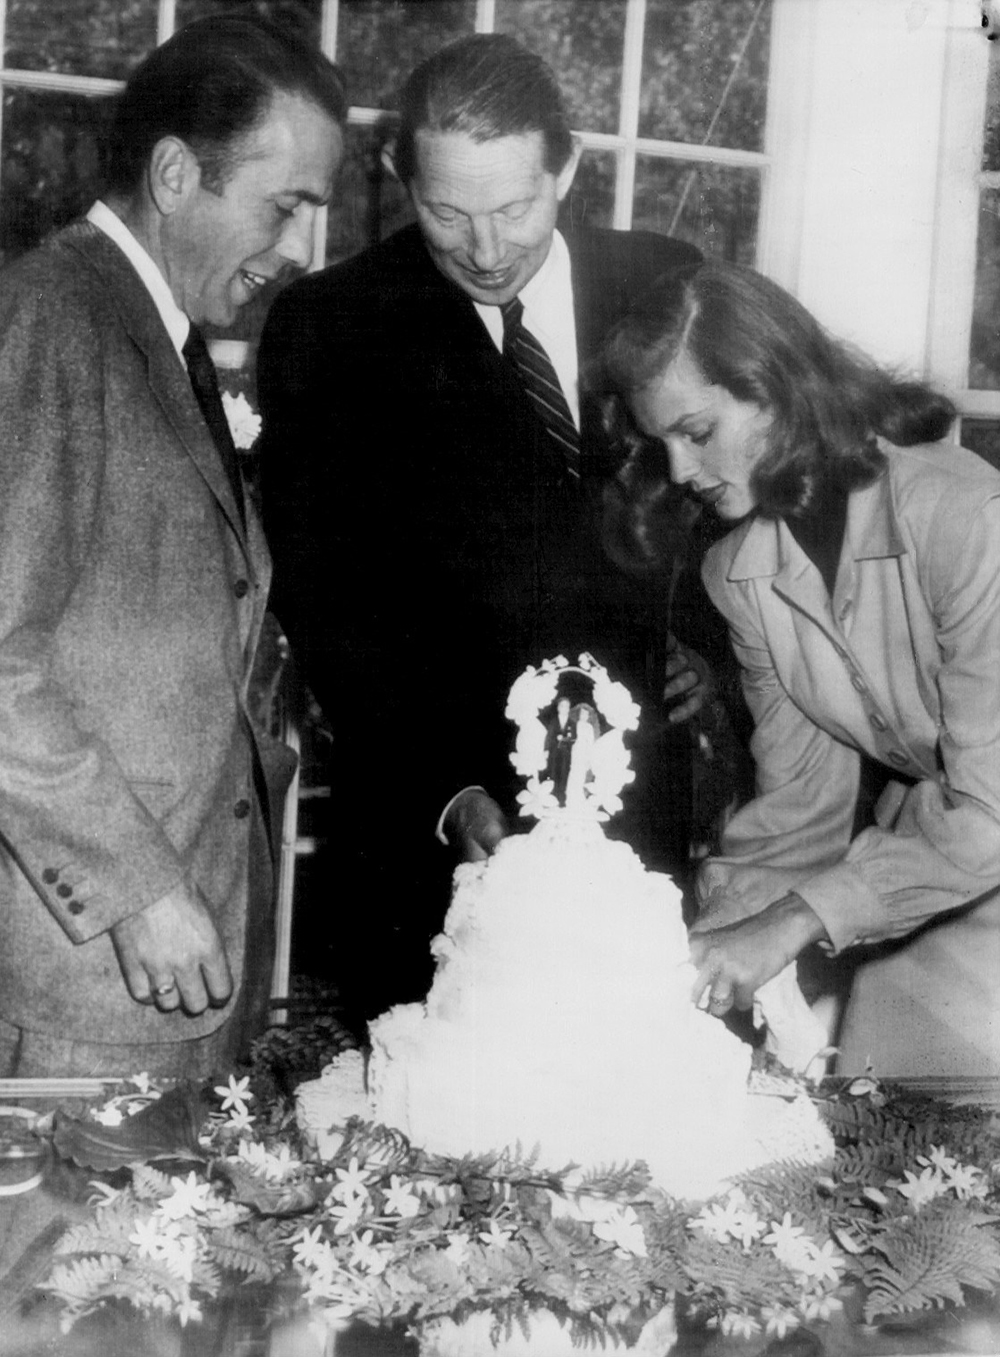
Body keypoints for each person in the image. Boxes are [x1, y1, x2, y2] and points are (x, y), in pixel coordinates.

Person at [256, 34, 715, 1011]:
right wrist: (443, 790)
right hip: (439, 830)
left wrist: (707, 646)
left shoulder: (666, 286)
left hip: (640, 825)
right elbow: (328, 600)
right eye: (446, 212)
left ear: (569, 168)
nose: (487, 247)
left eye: (516, 207)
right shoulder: (331, 327)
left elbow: (731, 496)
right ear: (398, 176)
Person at [0, 15, 346, 1078]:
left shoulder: (156, 334)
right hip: (87, 983)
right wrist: (141, 887)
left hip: (172, 979)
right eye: (284, 205)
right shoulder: (55, 319)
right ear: (174, 172)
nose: (297, 251)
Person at [601, 258, 1000, 1076]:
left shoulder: (965, 518)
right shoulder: (740, 575)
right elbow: (799, 807)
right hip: (951, 853)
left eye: (698, 432)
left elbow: (988, 812)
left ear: (777, 391)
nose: (678, 472)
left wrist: (791, 921)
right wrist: (705, 947)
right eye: (661, 441)